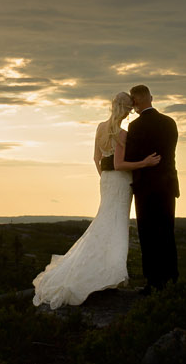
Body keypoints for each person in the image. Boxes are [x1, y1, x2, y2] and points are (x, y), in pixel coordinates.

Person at [30, 92, 161, 309]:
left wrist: (105, 178)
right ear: (125, 109)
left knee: (104, 223)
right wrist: (145, 163)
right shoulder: (121, 133)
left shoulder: (101, 127)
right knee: (116, 226)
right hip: (119, 181)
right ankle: (104, 276)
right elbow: (119, 164)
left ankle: (101, 273)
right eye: (129, 109)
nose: (130, 112)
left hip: (107, 181)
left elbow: (96, 159)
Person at [120, 84, 179, 289]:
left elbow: (131, 157)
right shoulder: (170, 122)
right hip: (168, 185)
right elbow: (170, 153)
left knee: (148, 234)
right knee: (167, 232)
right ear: (151, 98)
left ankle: (153, 282)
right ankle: (172, 279)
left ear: (136, 102)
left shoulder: (136, 127)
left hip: (146, 187)